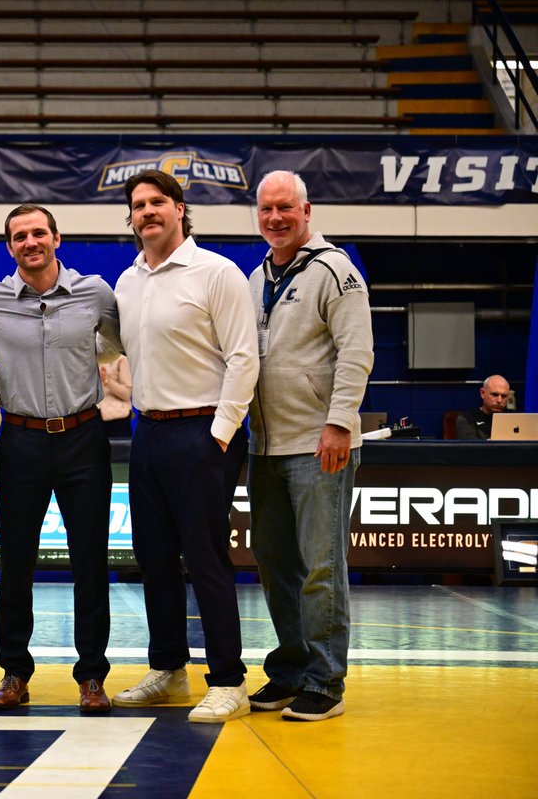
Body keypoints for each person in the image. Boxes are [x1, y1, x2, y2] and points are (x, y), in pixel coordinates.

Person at [111, 170, 259, 723]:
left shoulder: (216, 272)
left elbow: (244, 357)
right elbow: (110, 346)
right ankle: (169, 670)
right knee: (153, 561)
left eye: (157, 202)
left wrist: (220, 434)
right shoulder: (127, 282)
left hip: (203, 432)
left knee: (206, 559)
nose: (147, 211)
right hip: (148, 432)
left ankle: (228, 681)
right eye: (138, 205)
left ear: (179, 209)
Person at [0, 204, 121, 714]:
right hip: (22, 441)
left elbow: (123, 343)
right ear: (9, 247)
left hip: (84, 438)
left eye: (38, 233)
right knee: (16, 564)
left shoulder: (95, 293)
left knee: (92, 563)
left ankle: (92, 677)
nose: (30, 242)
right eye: (19, 236)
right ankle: (14, 674)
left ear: (56, 237)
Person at [247, 170, 374, 722]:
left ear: (307, 211)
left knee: (321, 565)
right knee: (275, 564)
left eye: (285, 208)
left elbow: (357, 350)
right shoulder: (255, 278)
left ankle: (326, 681)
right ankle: (292, 669)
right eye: (266, 209)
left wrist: (340, 422)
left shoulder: (335, 271)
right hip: (265, 447)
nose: (275, 218)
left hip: (319, 443)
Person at [456, 375, 510, 440]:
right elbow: (471, 447)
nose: (499, 400)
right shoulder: (467, 418)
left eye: (504, 396)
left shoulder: (515, 418)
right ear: (482, 393)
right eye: (495, 395)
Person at [98, 355, 134, 438]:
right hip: (93, 418)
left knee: (120, 450)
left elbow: (126, 394)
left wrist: (106, 380)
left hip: (117, 418)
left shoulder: (121, 358)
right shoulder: (89, 357)